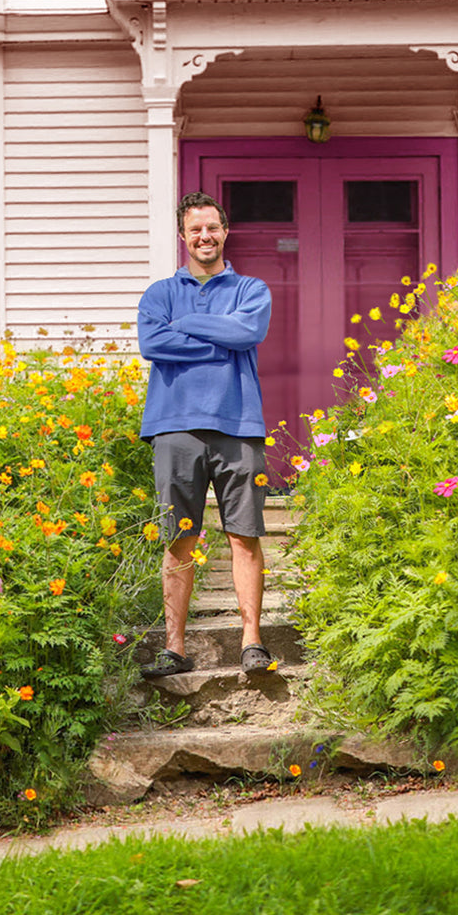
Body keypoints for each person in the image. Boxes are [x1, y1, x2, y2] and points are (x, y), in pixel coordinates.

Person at [137, 190, 274, 678]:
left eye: (212, 227)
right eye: (195, 229)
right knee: (179, 538)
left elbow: (247, 335)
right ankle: (174, 649)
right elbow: (153, 342)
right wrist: (219, 337)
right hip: (173, 428)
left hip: (239, 425)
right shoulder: (158, 295)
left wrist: (189, 326)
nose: (205, 236)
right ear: (183, 236)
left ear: (225, 231)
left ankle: (252, 642)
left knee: (245, 536)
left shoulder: (251, 289)